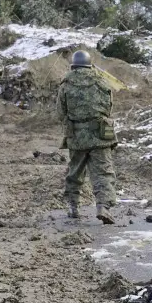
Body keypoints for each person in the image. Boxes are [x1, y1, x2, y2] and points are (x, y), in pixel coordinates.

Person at [58, 49, 117, 225]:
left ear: (74, 65)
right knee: (103, 172)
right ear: (90, 64)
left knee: (75, 171)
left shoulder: (65, 84)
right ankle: (103, 206)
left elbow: (60, 112)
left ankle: (73, 207)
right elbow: (108, 108)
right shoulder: (102, 81)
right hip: (100, 135)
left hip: (76, 136)